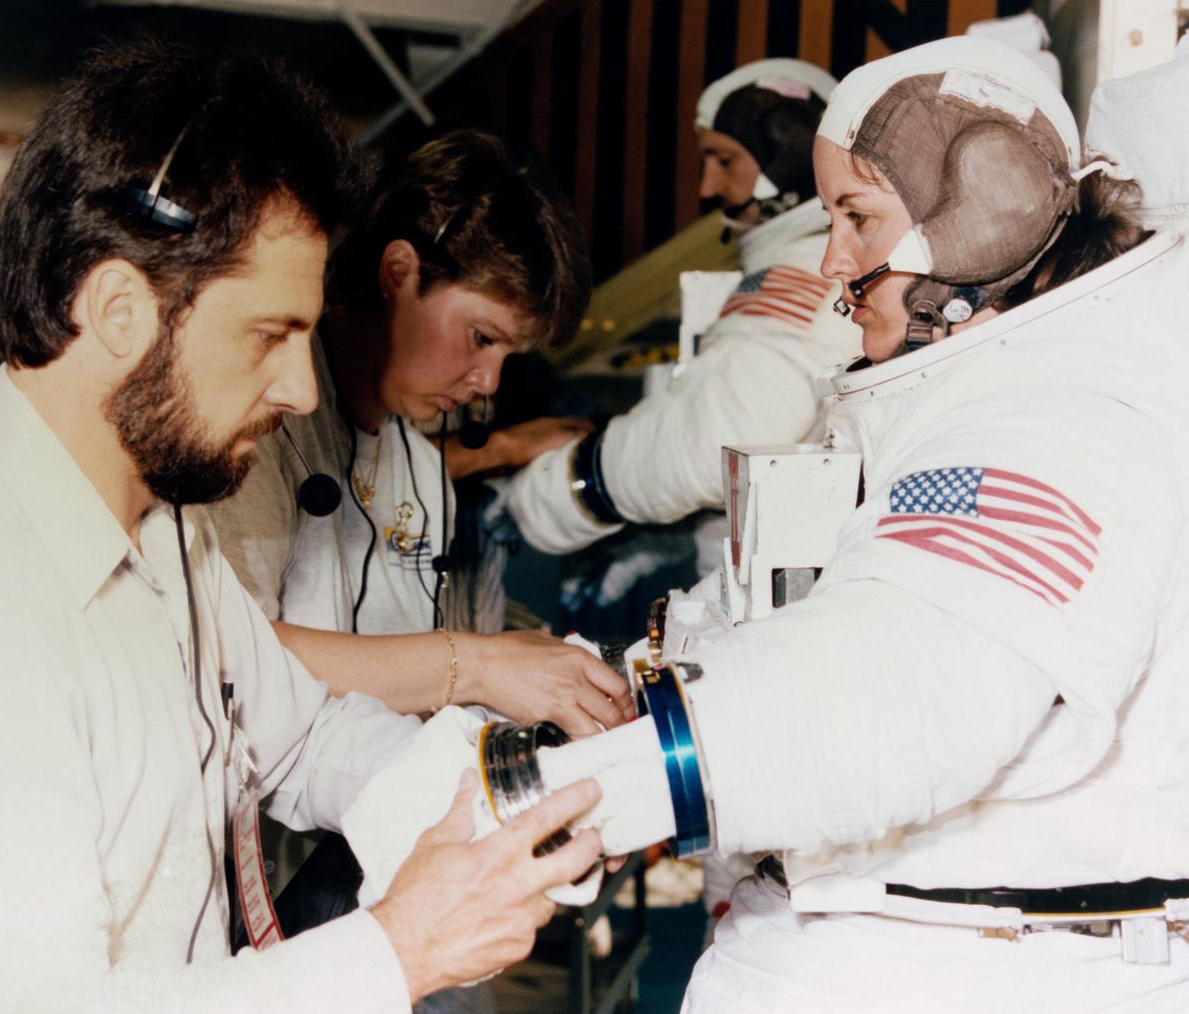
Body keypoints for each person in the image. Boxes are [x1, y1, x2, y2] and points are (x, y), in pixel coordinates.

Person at [0, 40, 604, 1013]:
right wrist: (393, 954)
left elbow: (299, 734)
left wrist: (495, 800)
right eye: (269, 335)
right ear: (119, 309)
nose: (299, 387)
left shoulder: (165, 540)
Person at [505, 35, 1189, 1010]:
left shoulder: (1050, 421)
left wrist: (573, 790)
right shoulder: (1006, 393)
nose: (831, 263)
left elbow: (896, 690)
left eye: (854, 218)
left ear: (977, 216)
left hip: (965, 962)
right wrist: (654, 688)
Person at [209, 129, 633, 738]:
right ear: (399, 272)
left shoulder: (418, 468)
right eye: (482, 338)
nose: (488, 381)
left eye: (508, 357)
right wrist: (480, 666)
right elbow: (229, 653)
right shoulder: (259, 432)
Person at [504, 59, 860, 577]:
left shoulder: (803, 272)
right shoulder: (817, 264)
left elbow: (725, 436)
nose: (708, 187)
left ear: (784, 160)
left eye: (724, 160)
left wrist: (552, 493)